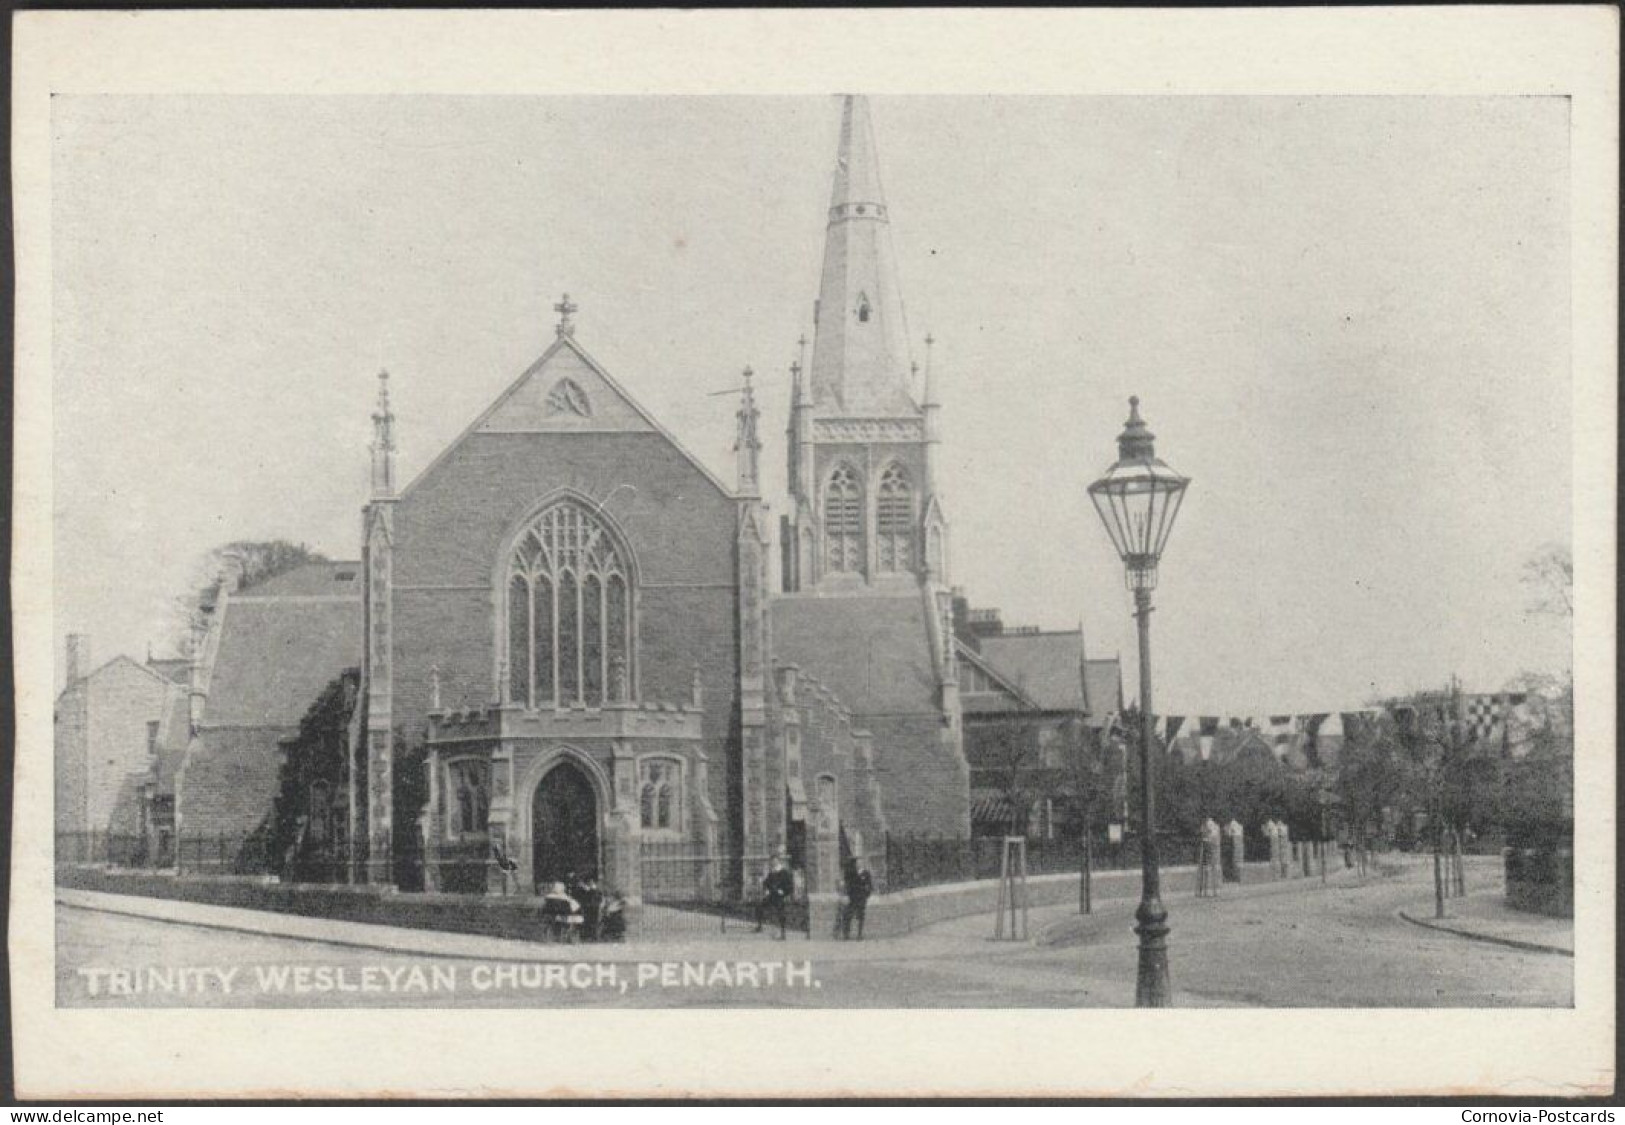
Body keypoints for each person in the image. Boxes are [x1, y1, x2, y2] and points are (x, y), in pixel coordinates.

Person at [754, 855, 794, 939]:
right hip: (772, 895)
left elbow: (790, 886)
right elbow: (766, 883)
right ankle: (759, 925)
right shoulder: (772, 873)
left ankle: (783, 933)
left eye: (775, 861)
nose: (774, 863)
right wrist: (766, 888)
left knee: (781, 912)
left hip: (780, 896)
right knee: (759, 906)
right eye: (772, 862)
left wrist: (783, 892)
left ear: (779, 861)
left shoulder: (784, 872)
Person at [840, 857, 873, 940]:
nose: (858, 865)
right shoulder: (850, 872)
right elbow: (847, 884)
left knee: (860, 915)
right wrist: (846, 894)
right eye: (857, 863)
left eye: (860, 863)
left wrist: (866, 894)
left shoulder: (866, 873)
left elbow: (869, 885)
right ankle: (846, 934)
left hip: (861, 898)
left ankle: (859, 934)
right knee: (848, 915)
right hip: (852, 897)